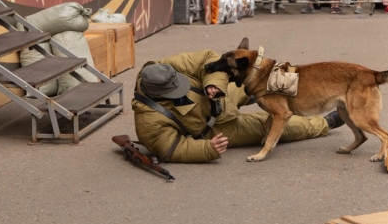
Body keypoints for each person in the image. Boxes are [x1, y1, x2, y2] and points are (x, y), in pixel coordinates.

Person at [131, 52, 344, 163]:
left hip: (214, 94)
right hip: (215, 127)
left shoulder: (165, 66)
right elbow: (171, 148)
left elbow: (207, 59)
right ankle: (322, 124)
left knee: (265, 83)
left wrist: (214, 84)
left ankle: (315, 94)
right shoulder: (148, 121)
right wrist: (207, 149)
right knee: (270, 124)